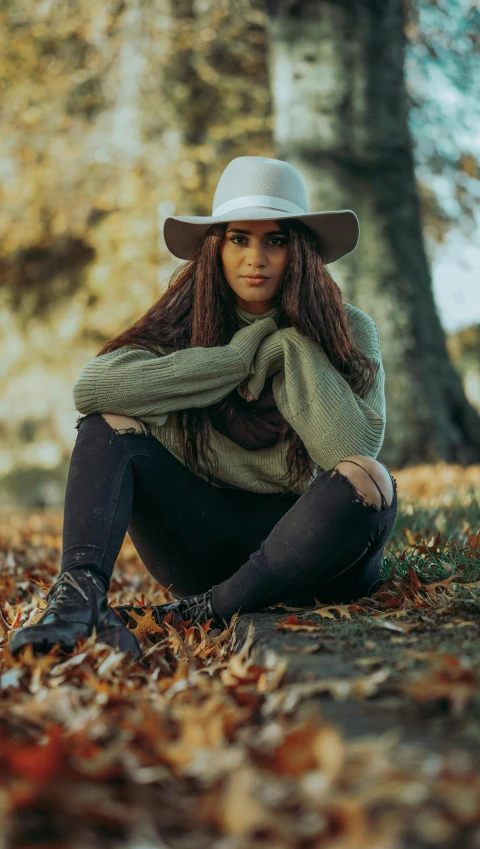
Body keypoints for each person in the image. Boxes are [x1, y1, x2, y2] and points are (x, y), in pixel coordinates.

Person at [9, 156, 397, 660]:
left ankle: (208, 611)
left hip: (315, 554)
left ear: (298, 250)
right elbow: (94, 388)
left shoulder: (349, 329)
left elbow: (350, 449)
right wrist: (235, 360)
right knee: (109, 423)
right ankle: (77, 601)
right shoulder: (185, 321)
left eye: (274, 240)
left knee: (369, 477)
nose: (254, 257)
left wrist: (291, 347)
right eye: (239, 238)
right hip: (203, 543)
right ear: (217, 246)